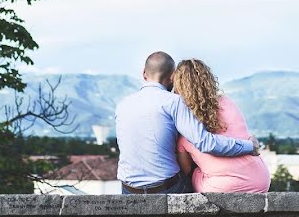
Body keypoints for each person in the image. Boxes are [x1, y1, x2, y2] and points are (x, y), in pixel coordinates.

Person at [115, 51, 261, 194]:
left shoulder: (122, 104)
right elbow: (205, 143)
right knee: (190, 175)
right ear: (173, 77)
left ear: (144, 73)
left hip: (129, 189)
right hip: (166, 188)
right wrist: (249, 146)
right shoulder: (174, 102)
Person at [173, 59, 270, 193]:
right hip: (260, 181)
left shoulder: (185, 125)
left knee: (192, 174)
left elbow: (186, 169)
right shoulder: (227, 102)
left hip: (222, 187)